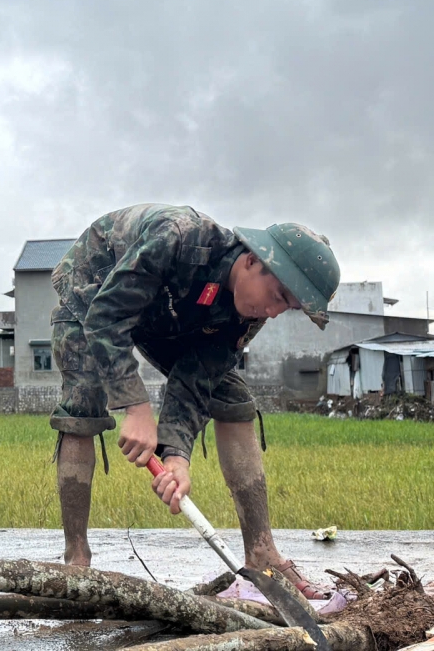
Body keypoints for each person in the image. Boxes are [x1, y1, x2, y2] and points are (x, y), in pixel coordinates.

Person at [47, 204, 340, 598]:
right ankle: (76, 560)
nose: (272, 312)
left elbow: (197, 376)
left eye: (285, 308)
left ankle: (262, 553)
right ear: (252, 260)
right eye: (277, 296)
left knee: (232, 397)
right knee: (83, 402)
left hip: (168, 316)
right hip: (96, 287)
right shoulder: (179, 238)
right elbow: (106, 318)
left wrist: (176, 457)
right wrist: (135, 408)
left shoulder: (248, 314)